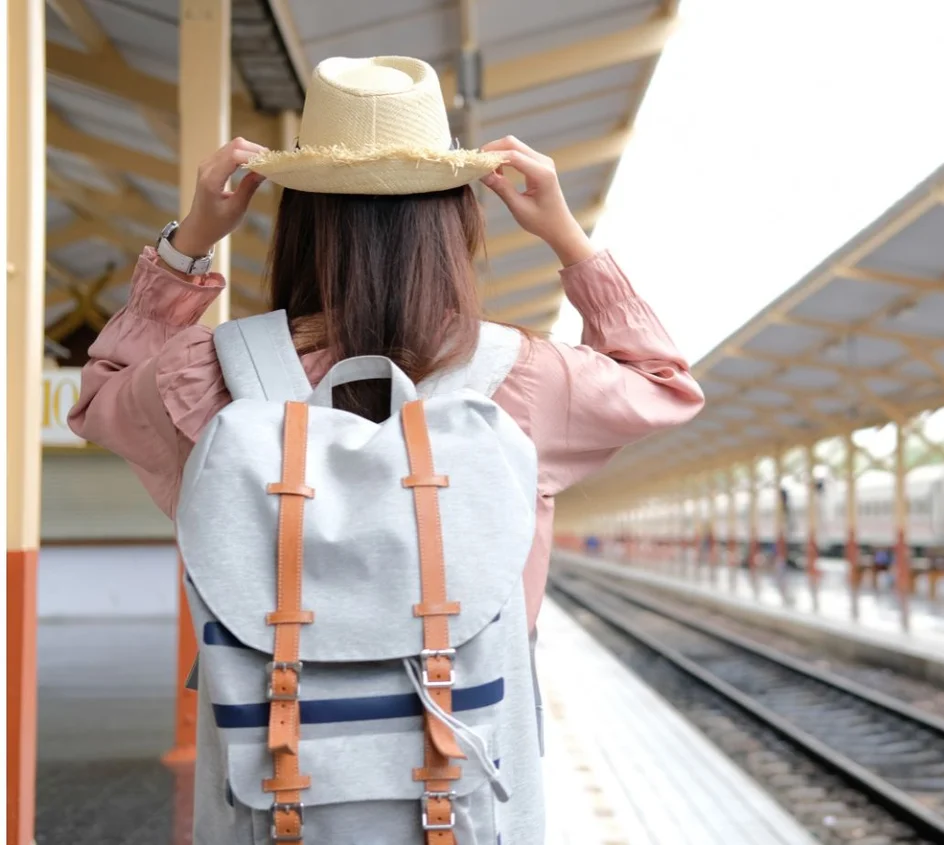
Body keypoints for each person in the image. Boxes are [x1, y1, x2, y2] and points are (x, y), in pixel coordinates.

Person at [69, 55, 703, 844]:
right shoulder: (523, 380)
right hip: (471, 798)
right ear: (457, 223)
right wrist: (567, 239)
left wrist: (189, 244)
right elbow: (665, 384)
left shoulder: (209, 376)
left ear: (295, 223)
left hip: (271, 801)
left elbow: (98, 398)